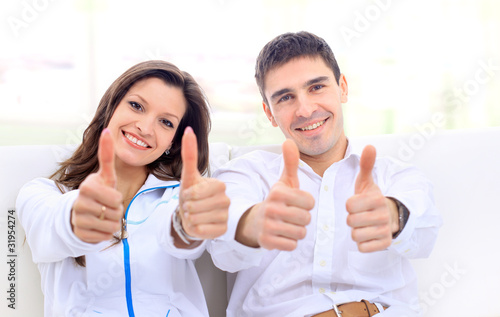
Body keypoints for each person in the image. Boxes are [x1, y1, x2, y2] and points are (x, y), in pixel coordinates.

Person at [208, 32, 442, 316]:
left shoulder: (396, 176)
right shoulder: (244, 174)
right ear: (269, 113)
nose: (305, 110)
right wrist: (256, 223)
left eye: (316, 87)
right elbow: (223, 249)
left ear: (342, 87)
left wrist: (392, 215)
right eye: (285, 97)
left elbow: (424, 230)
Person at [16, 60, 230, 317]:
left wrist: (188, 223)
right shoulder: (43, 194)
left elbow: (181, 234)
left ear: (172, 143)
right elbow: (50, 224)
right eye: (136, 106)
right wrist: (78, 217)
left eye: (166, 122)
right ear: (111, 107)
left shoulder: (177, 198)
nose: (145, 127)